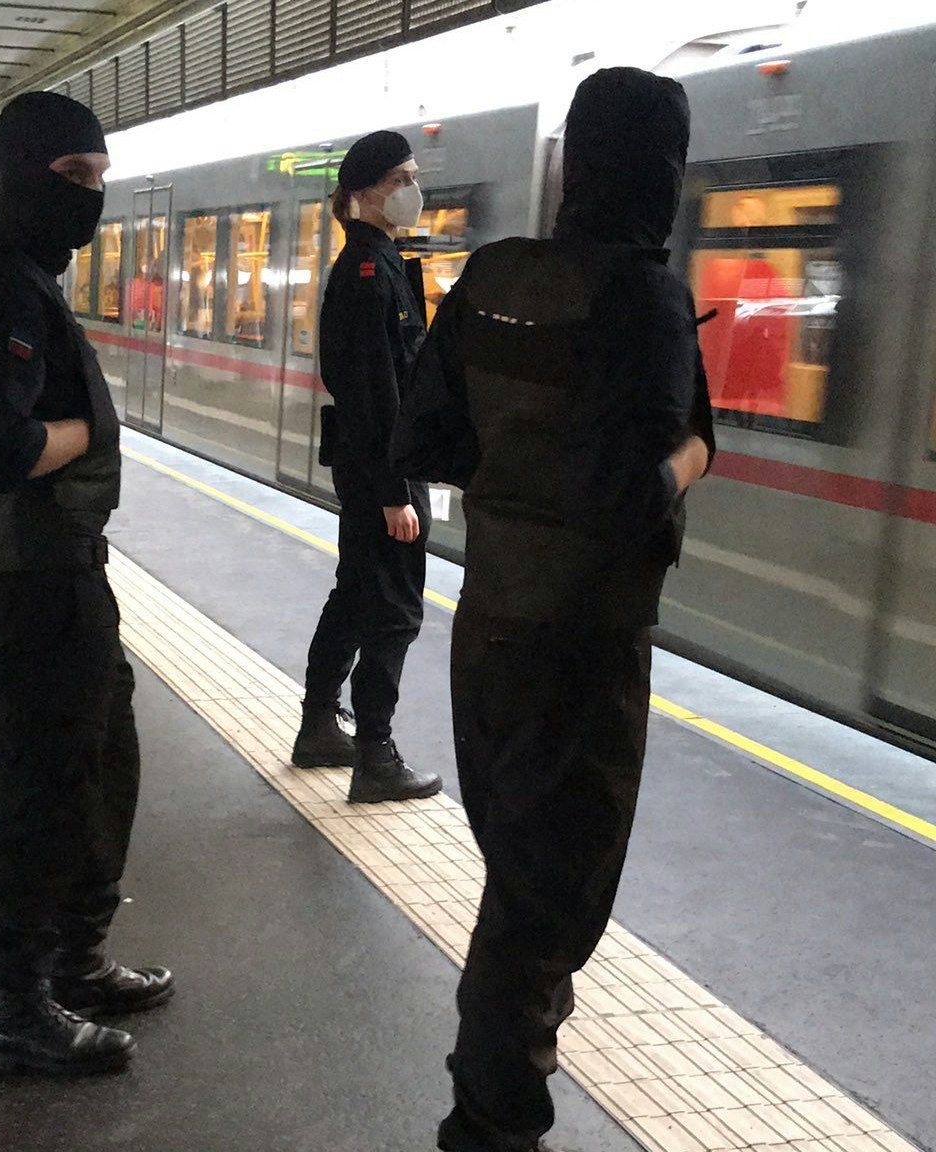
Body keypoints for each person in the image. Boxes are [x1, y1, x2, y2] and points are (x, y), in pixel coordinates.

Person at [390, 68, 716, 1152]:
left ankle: (490, 1103)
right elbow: (632, 493)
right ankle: (490, 1123)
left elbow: (428, 444)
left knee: (517, 878)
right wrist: (687, 461)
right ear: (663, 167)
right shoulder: (649, 298)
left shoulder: (489, 276)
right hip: (586, 646)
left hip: (489, 626)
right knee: (546, 904)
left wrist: (524, 459)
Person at [0, 91, 172, 1077]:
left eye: (98, 180)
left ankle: (73, 958)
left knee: (99, 759)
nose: (92, 197)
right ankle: (15, 1006)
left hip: (60, 569)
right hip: (30, 578)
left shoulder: (26, 274)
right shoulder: (5, 289)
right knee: (41, 785)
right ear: (29, 174)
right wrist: (96, 435)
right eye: (76, 178)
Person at [289, 129, 442, 804]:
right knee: (393, 610)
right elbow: (375, 393)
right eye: (402, 176)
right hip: (386, 469)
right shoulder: (369, 274)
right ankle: (376, 756)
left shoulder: (376, 264)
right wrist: (393, 493)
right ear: (365, 191)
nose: (412, 188)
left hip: (376, 465)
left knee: (357, 594)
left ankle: (320, 725)